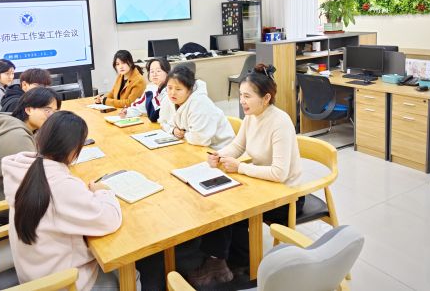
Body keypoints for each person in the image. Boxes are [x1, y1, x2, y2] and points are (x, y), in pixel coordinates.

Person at [186, 64, 304, 288]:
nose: (242, 101)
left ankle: (231, 263)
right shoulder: (252, 116)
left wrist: (240, 168)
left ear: (266, 98)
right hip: (263, 184)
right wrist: (220, 155)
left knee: (229, 206)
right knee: (218, 197)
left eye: (247, 96)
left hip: (286, 196)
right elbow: (238, 146)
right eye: (241, 95)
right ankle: (229, 260)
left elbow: (279, 173)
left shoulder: (280, 122)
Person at [2, 111, 141, 290]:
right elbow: (108, 220)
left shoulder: (24, 167)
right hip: (62, 282)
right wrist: (103, 192)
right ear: (75, 150)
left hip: (33, 271)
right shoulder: (62, 185)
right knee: (131, 274)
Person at [0, 87, 61, 227]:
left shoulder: (14, 124)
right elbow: (34, 180)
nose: (51, 116)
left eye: (54, 111)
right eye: (47, 110)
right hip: (0, 204)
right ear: (28, 110)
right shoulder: (18, 136)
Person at [159, 66, 234, 150]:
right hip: (192, 145)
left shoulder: (199, 102)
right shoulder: (168, 99)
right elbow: (162, 122)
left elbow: (200, 139)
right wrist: (173, 130)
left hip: (219, 149)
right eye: (169, 88)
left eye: (178, 89)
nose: (172, 93)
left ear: (190, 89)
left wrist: (184, 134)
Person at [120, 57, 171, 122]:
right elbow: (140, 106)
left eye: (158, 71)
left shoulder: (170, 91)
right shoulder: (151, 89)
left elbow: (155, 115)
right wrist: (127, 112)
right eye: (152, 71)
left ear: (167, 73)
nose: (154, 74)